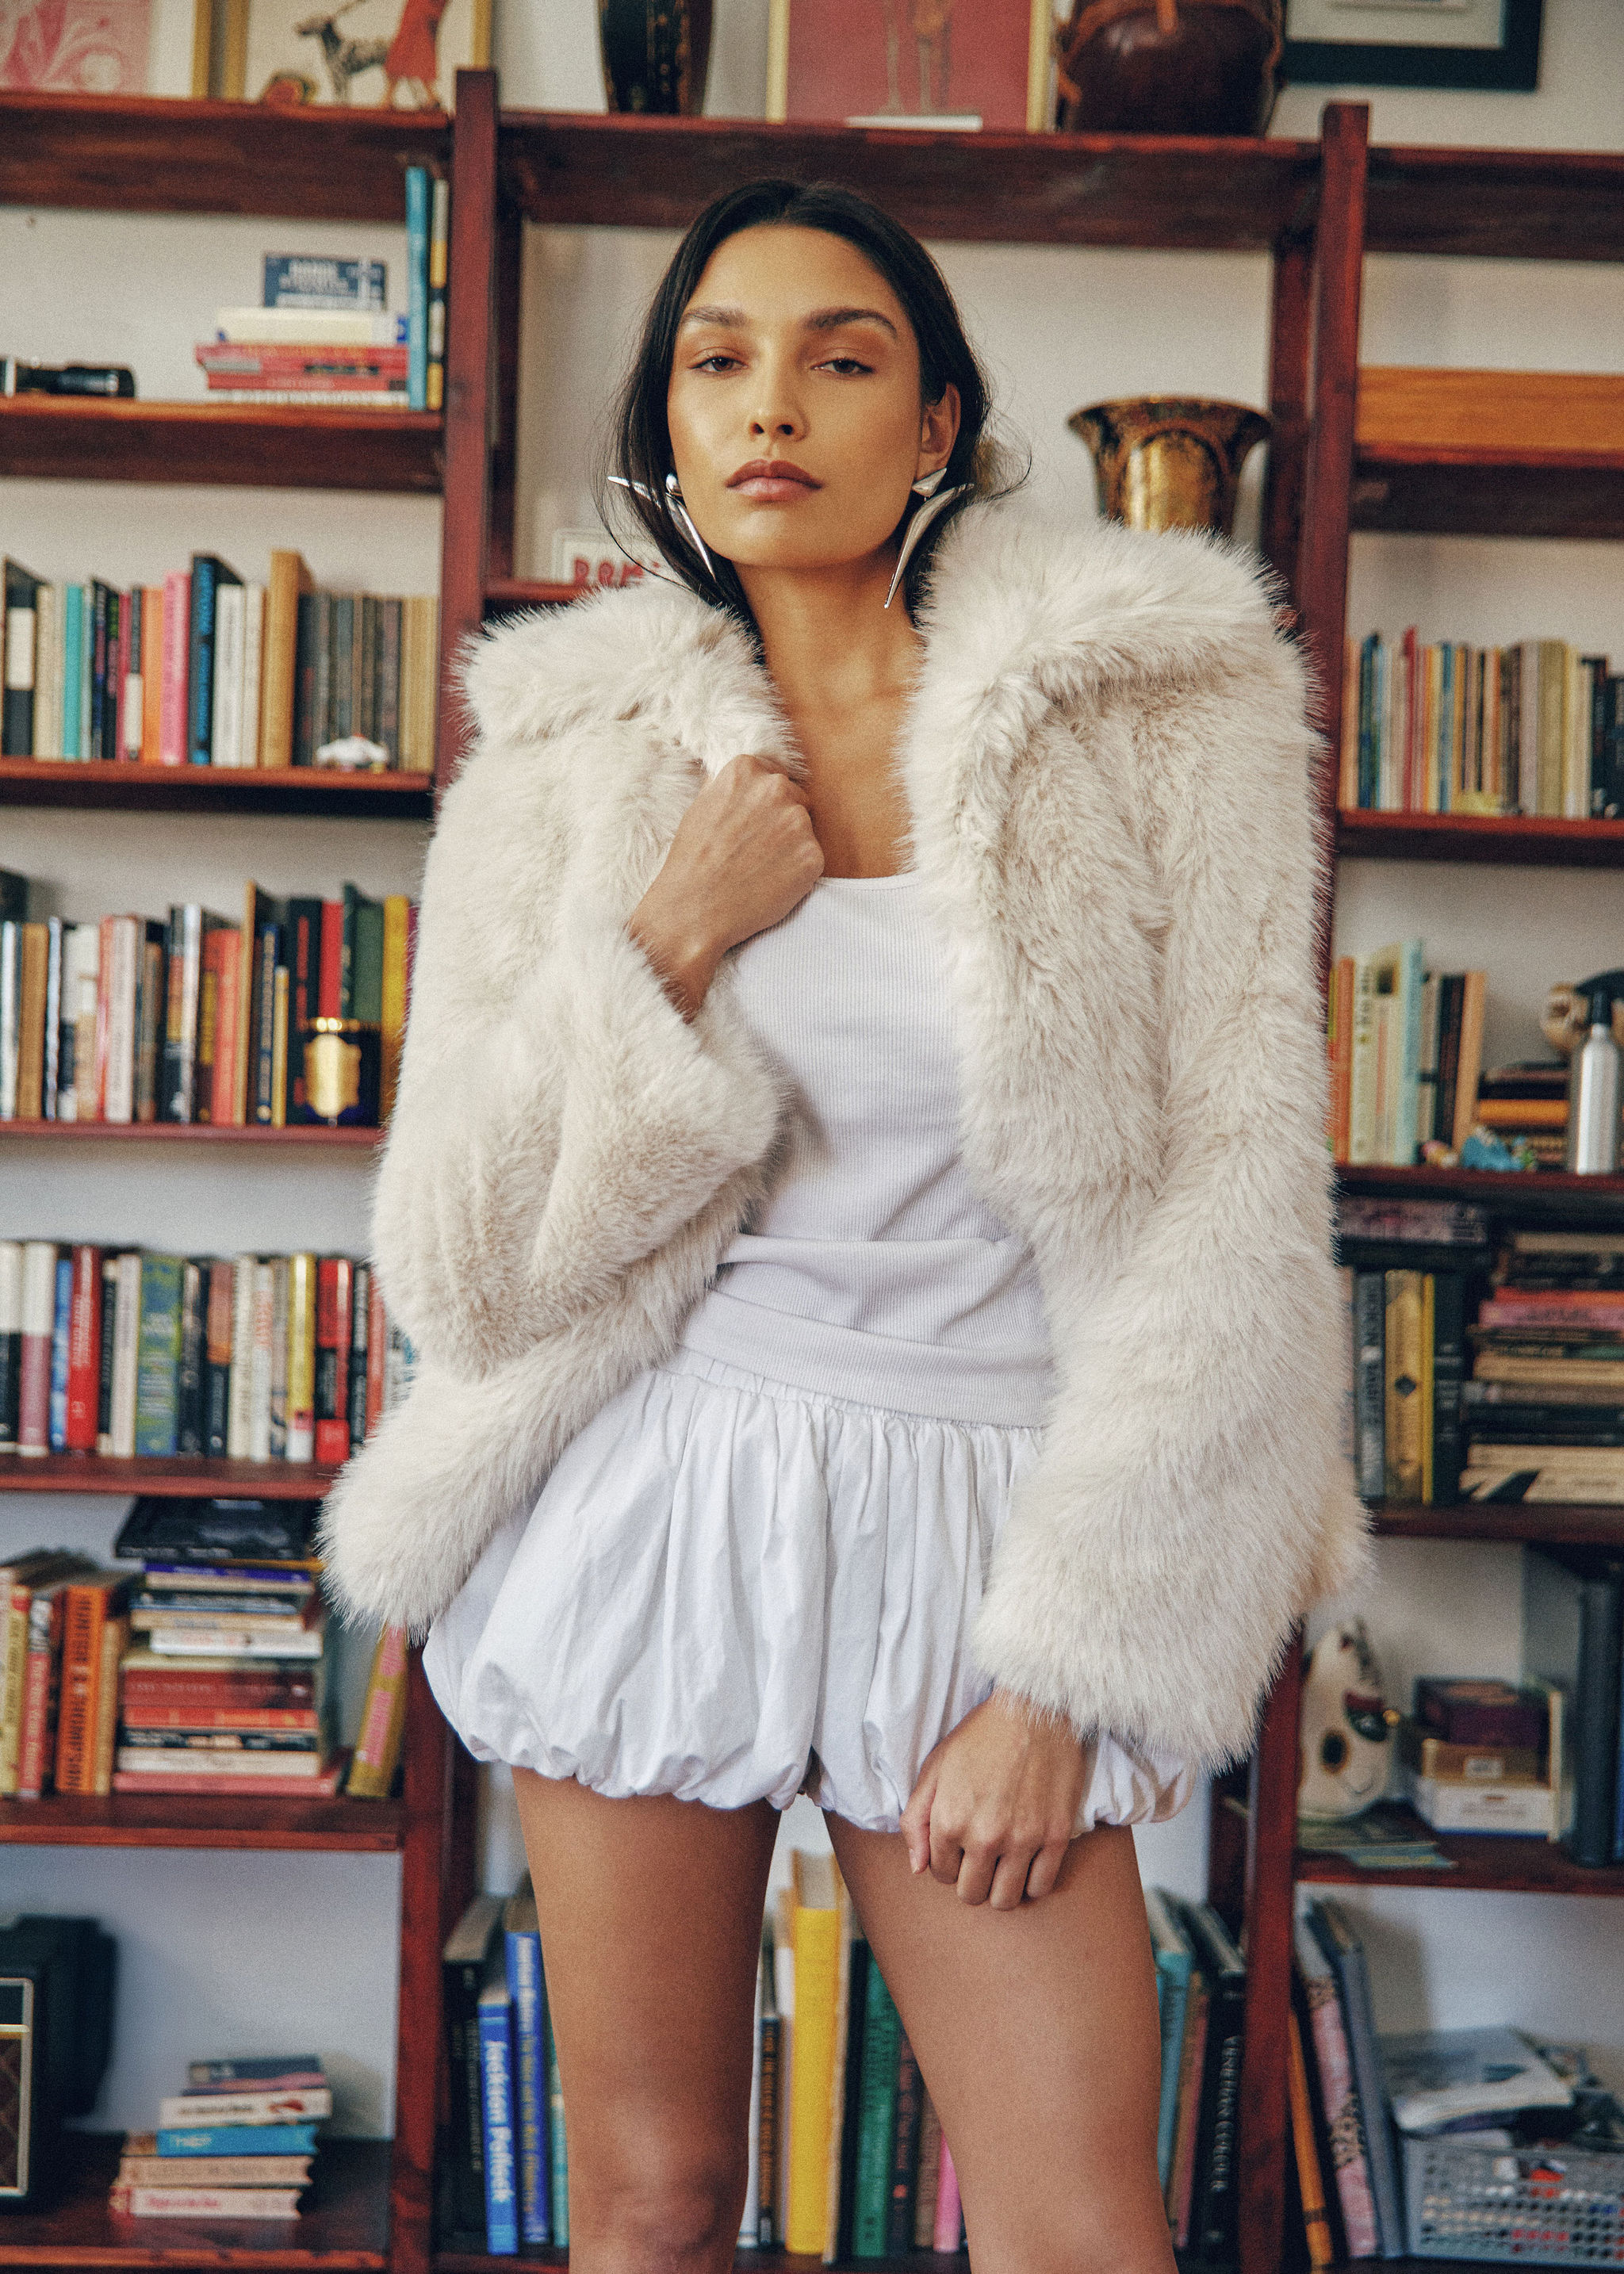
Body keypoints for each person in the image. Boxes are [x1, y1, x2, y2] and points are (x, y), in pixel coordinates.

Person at [322, 178, 1368, 2273]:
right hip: (662, 1499)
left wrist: (1064, 1669)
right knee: (651, 2202)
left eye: (840, 354)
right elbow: (471, 1260)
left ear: (941, 418)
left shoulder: (1161, 717)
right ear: (670, 431)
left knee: (1083, 2226)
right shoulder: (565, 751)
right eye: (715, 357)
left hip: (995, 1533)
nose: (770, 401)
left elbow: (1229, 1214)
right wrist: (665, 944)